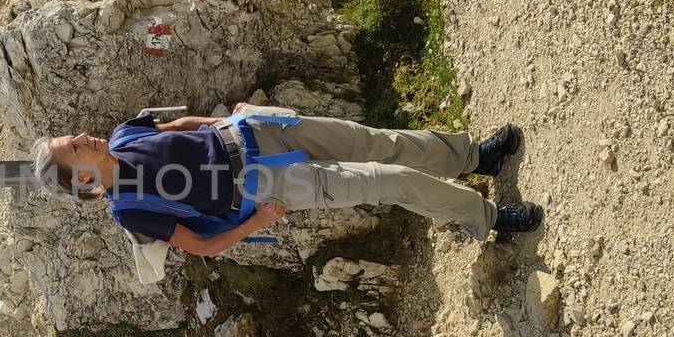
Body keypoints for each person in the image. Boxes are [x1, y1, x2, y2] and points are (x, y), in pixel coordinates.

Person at [30, 103, 541, 284]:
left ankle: (474, 157)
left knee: (375, 141)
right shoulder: (132, 212)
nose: (83, 138)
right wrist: (259, 221)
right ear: (81, 180)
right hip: (267, 186)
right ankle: (489, 218)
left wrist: (233, 117)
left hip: (257, 132)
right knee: (387, 183)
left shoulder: (124, 134)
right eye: (74, 148)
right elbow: (203, 246)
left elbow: (182, 125)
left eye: (74, 137)